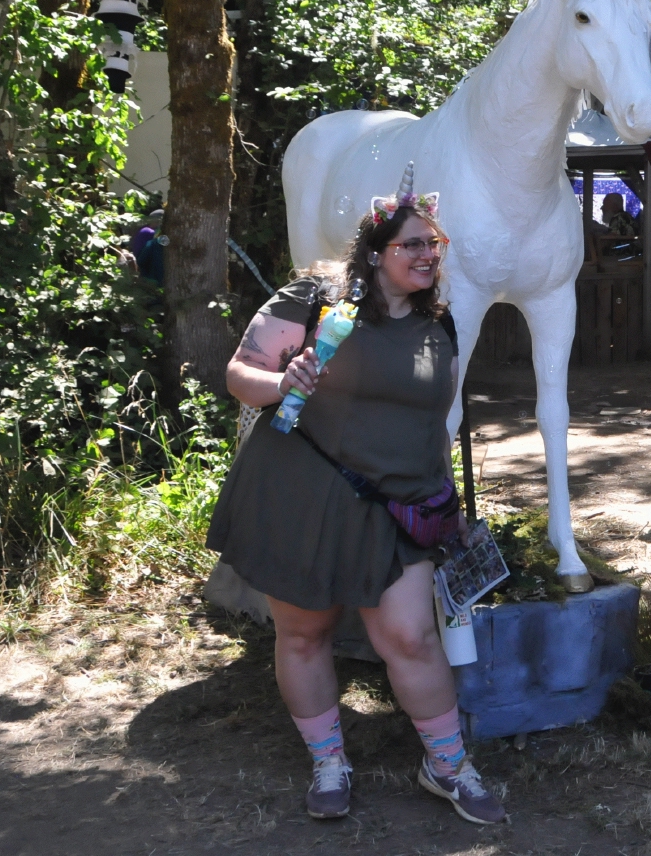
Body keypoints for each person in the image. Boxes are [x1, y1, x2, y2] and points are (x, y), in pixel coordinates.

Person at [208, 175, 504, 826]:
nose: (430, 254)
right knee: (306, 633)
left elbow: (433, 422)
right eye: (415, 244)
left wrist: (445, 508)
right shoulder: (315, 298)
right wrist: (283, 378)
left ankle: (448, 766)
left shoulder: (439, 323)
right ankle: (328, 762)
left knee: (411, 636)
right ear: (376, 252)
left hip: (399, 507)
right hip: (305, 494)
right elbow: (238, 375)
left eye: (436, 243)